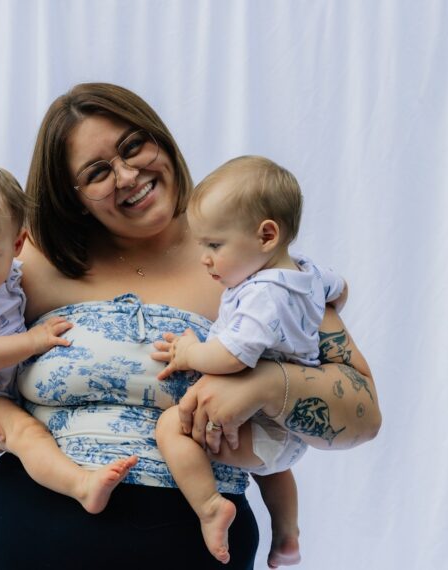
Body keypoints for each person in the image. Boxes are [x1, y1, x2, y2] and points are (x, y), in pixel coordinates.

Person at [0, 83, 381, 570]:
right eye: (96, 172)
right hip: (20, 534)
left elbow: (364, 414)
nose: (127, 174)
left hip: (193, 547)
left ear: (161, 137)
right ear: (72, 198)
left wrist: (265, 384)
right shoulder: (27, 265)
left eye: (134, 145)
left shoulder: (258, 267)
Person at [152, 155, 349, 565]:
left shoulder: (263, 295)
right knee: (274, 472)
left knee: (172, 427)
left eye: (214, 245)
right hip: (285, 427)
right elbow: (340, 290)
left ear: (266, 236)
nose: (204, 258)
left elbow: (232, 357)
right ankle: (287, 535)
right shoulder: (306, 272)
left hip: (262, 426)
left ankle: (209, 507)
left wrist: (189, 352)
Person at [0, 163, 139, 514]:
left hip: (10, 384)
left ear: (18, 244)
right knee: (28, 435)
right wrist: (35, 342)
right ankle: (82, 486)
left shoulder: (11, 276)